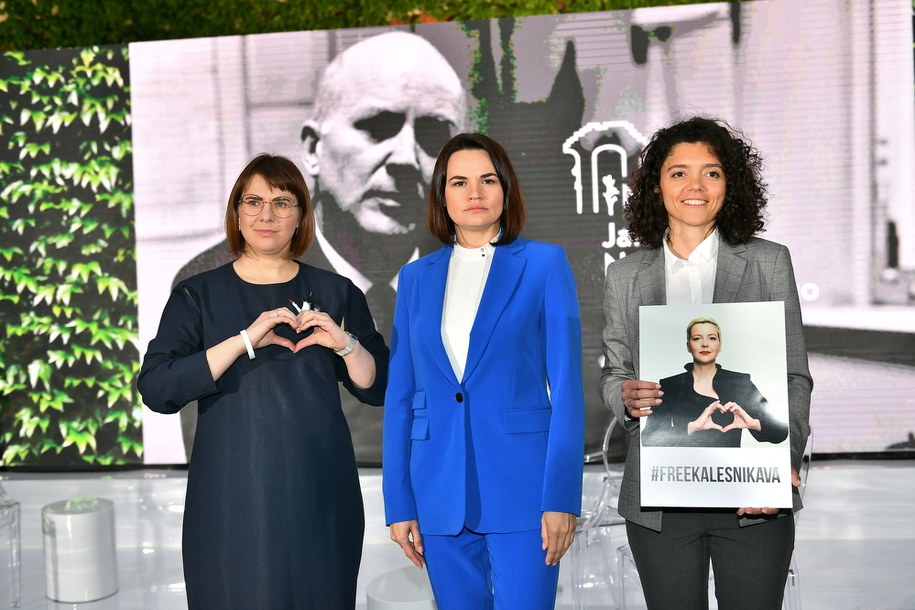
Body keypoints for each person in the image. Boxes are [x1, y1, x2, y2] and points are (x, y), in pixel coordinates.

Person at [173, 31, 466, 463]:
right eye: (376, 127)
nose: (405, 158)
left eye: (432, 134)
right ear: (313, 149)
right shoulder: (211, 282)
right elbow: (215, 449)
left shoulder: (468, 272)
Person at [138, 154, 388, 609]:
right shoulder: (197, 294)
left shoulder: (337, 293)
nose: (266, 215)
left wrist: (345, 343)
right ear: (236, 213)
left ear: (302, 216)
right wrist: (243, 341)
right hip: (232, 498)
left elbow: (377, 388)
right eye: (252, 201)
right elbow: (157, 389)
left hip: (321, 496)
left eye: (282, 202)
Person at [600, 117, 813, 609]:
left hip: (752, 494)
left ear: (729, 184)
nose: (695, 186)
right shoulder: (625, 276)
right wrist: (625, 397)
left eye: (711, 173)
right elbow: (615, 374)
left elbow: (792, 375)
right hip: (661, 499)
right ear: (657, 186)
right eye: (678, 173)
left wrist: (781, 459)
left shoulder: (769, 261)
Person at [383, 133, 585, 609]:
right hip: (436, 493)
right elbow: (401, 397)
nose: (474, 193)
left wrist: (561, 498)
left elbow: (569, 392)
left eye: (487, 180)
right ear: (442, 195)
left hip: (525, 493)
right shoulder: (415, 277)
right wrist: (400, 503)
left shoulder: (544, 264)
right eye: (459, 182)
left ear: (506, 190)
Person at [641, 316, 789, 447]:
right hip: (683, 471)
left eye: (712, 338)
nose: (705, 344)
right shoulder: (670, 385)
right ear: (688, 346)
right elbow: (649, 438)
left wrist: (753, 424)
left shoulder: (739, 382)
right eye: (697, 338)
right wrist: (691, 428)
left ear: (720, 346)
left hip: (729, 473)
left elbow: (780, 431)